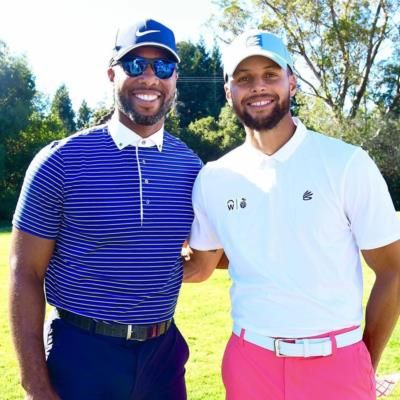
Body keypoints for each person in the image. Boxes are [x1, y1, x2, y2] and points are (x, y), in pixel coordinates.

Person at [184, 29, 400, 400]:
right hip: (249, 362)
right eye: (244, 79)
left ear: (292, 83)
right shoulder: (214, 178)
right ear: (228, 91)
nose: (258, 87)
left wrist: (364, 359)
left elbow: (393, 268)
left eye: (271, 75)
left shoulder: (346, 163)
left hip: (338, 363)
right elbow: (203, 265)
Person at [9, 18, 202, 400]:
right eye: (135, 65)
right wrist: (35, 385)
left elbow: (210, 249)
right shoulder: (60, 162)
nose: (150, 77)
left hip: (163, 356)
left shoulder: (191, 167)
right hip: (81, 354)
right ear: (111, 72)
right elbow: (25, 273)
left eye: (163, 67)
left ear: (175, 78)